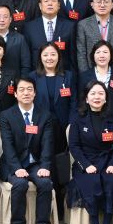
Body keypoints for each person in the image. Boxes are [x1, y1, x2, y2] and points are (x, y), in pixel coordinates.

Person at [0, 76, 57, 224]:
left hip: (35, 163)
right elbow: (7, 146)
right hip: (14, 163)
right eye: (22, 90)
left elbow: (47, 143)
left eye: (29, 89)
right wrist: (17, 168)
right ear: (15, 94)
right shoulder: (6, 115)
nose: (26, 93)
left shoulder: (44, 115)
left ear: (35, 93)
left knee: (45, 183)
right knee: (20, 183)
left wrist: (45, 165)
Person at [67, 80, 113, 224]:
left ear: (106, 98)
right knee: (91, 181)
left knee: (111, 181)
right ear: (86, 98)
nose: (97, 97)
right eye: (92, 93)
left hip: (108, 161)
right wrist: (86, 165)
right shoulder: (77, 119)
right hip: (86, 162)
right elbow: (74, 146)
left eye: (101, 93)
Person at [28, 43, 77, 191]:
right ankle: (46, 189)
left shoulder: (68, 76)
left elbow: (74, 102)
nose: (49, 58)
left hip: (62, 126)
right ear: (40, 57)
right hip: (41, 126)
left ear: (59, 56)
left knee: (60, 161)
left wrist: (71, 124)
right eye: (45, 55)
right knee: (44, 159)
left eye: (53, 54)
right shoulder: (33, 77)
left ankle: (60, 194)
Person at [78, 41, 113, 129]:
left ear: (111, 55)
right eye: (98, 52)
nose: (101, 55)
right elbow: (81, 103)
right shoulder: (84, 77)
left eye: (105, 52)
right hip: (90, 124)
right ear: (93, 55)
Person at [26, 0, 77, 73]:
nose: (50, 4)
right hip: (37, 74)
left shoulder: (69, 26)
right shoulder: (29, 27)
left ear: (59, 5)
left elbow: (73, 55)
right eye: (46, 1)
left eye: (53, 1)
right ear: (40, 6)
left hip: (62, 74)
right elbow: (27, 56)